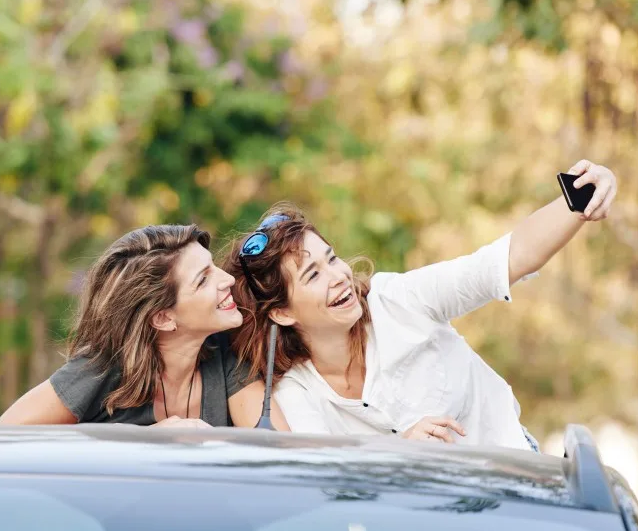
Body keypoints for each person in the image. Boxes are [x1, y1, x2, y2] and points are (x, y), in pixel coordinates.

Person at [223, 160, 617, 449]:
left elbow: (501, 262)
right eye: (312, 275)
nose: (338, 275)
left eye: (331, 257)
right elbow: (333, 486)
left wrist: (578, 200)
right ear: (282, 312)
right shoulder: (297, 393)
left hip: (511, 482)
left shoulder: (397, 300)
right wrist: (400, 453)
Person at [0, 224, 287, 429]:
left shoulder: (223, 352)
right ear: (163, 317)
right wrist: (145, 442)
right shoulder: (102, 368)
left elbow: (274, 452)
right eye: (203, 279)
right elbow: (5, 434)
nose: (227, 279)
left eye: (213, 266)